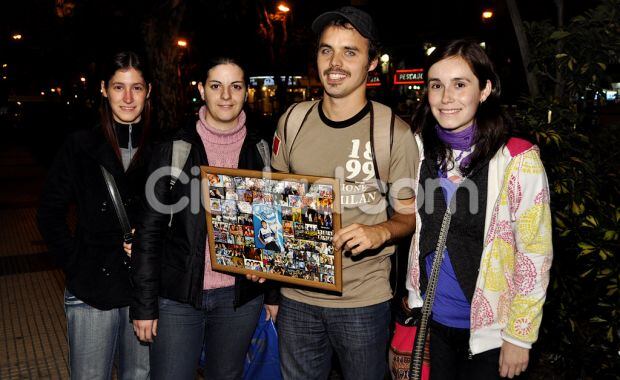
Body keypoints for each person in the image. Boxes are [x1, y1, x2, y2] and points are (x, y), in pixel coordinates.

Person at [270, 6, 419, 379]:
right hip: (296, 297)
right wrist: (261, 257)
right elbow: (274, 202)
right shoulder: (292, 121)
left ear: (370, 62)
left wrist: (379, 231)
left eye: (350, 52)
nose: (335, 62)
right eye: (326, 50)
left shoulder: (393, 133)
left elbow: (408, 217)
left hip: (362, 301)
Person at [405, 39, 553, 379]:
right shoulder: (419, 149)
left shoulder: (517, 159)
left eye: (460, 84)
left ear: (484, 89)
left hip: (491, 334)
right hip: (433, 321)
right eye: (436, 85)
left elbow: (535, 253)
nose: (446, 98)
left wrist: (520, 335)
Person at [128, 57, 278, 380]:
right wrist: (143, 305)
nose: (226, 95)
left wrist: (273, 292)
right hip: (179, 298)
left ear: (246, 91)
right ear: (201, 90)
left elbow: (272, 226)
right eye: (216, 86)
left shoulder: (262, 149)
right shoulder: (174, 148)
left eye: (235, 86)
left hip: (239, 300)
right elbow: (149, 232)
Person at [37, 51, 152, 379]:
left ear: (149, 91)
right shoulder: (81, 145)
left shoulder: (163, 148)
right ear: (103, 89)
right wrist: (76, 261)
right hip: (91, 289)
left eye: (137, 88)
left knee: (140, 376)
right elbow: (49, 212)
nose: (128, 98)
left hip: (143, 291)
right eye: (119, 88)